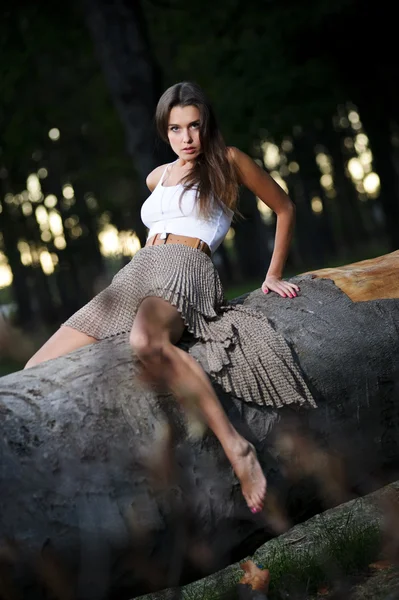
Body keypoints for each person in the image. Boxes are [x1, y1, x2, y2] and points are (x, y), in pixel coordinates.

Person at [25, 81, 315, 513]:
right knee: (34, 367)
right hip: (138, 270)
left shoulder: (228, 161)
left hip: (186, 266)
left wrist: (272, 274)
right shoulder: (157, 176)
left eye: (195, 126)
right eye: (177, 129)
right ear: (166, 131)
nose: (188, 138)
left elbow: (285, 208)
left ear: (206, 124)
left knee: (146, 342)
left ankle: (238, 448)